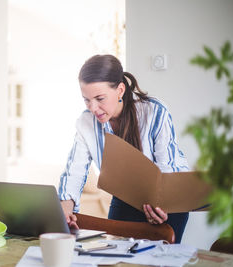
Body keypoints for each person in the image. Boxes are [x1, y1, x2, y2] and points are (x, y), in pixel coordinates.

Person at [59, 55, 189, 243]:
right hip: (125, 200)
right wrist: (65, 206)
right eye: (86, 100)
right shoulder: (85, 122)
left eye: (100, 98)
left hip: (167, 203)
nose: (93, 108)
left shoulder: (154, 112)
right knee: (114, 256)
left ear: (120, 90)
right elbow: (75, 171)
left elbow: (167, 168)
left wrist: (162, 205)